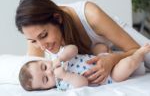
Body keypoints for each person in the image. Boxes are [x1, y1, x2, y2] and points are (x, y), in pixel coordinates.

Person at [15, 0, 150, 85]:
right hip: (99, 58)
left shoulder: (91, 15)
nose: (41, 46)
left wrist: (112, 59)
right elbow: (30, 74)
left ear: (58, 18)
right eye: (33, 41)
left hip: (117, 43)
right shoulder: (35, 34)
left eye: (44, 35)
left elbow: (134, 49)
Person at [19, 44, 150, 91]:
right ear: (45, 88)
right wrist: (65, 75)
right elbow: (83, 83)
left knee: (99, 45)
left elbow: (74, 49)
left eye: (44, 67)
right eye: (46, 79)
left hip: (99, 57)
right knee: (127, 65)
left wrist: (62, 58)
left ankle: (111, 52)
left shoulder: (58, 57)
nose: (49, 72)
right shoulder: (62, 84)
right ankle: (139, 53)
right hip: (110, 76)